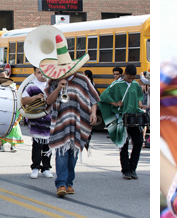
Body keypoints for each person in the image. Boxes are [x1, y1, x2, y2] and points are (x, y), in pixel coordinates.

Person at [42, 36, 99, 197]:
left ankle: (69, 182)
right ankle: (61, 184)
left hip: (79, 121)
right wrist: (58, 88)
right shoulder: (53, 81)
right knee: (61, 153)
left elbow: (94, 99)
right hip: (60, 122)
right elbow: (48, 101)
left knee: (73, 155)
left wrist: (93, 113)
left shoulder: (83, 80)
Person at [99, 64, 145, 180]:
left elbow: (139, 97)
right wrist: (115, 103)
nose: (130, 80)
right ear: (124, 74)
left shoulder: (135, 85)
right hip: (122, 117)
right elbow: (103, 97)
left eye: (133, 78)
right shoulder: (116, 84)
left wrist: (140, 105)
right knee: (123, 144)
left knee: (139, 142)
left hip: (134, 117)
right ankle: (125, 170)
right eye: (129, 77)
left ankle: (133, 168)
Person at [21, 66, 54, 180]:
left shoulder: (51, 85)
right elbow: (23, 100)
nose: (42, 75)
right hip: (36, 119)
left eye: (44, 72)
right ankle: (35, 167)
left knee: (48, 145)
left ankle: (46, 168)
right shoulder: (30, 85)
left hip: (50, 119)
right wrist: (35, 97)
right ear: (35, 74)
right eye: (39, 72)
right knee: (37, 145)